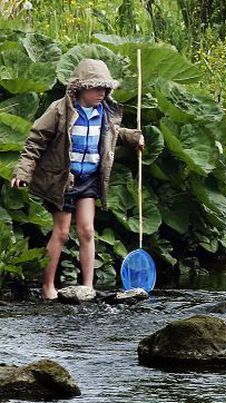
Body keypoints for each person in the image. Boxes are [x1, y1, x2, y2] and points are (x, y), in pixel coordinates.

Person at [10, 58, 144, 300]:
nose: (101, 93)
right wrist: (23, 172)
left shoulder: (105, 112)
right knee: (61, 233)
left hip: (90, 178)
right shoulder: (60, 111)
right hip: (63, 179)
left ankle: (88, 286)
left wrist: (134, 138)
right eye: (96, 89)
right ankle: (48, 287)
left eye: (105, 89)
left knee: (87, 231)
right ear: (80, 88)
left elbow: (115, 133)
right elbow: (35, 141)